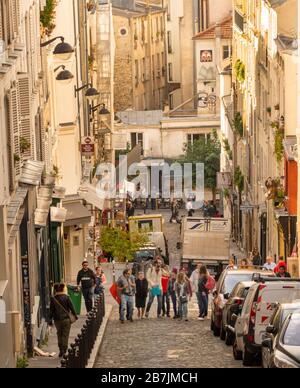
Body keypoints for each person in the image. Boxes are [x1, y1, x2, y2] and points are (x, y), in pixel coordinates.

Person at [49, 283, 78, 358]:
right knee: (65, 335)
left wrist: (50, 319)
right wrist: (75, 315)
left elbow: (51, 311)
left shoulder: (53, 299)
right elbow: (72, 307)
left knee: (59, 334)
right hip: (66, 319)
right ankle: (64, 350)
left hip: (57, 320)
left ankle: (60, 349)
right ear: (63, 289)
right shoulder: (66, 297)